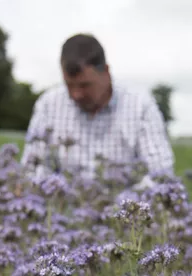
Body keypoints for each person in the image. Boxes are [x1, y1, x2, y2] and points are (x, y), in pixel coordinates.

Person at [18, 33, 175, 189]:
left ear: (106, 72)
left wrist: (125, 206)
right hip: (64, 208)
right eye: (69, 85)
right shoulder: (49, 104)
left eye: (85, 85)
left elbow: (160, 172)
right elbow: (33, 168)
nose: (76, 94)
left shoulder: (141, 106)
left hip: (124, 209)